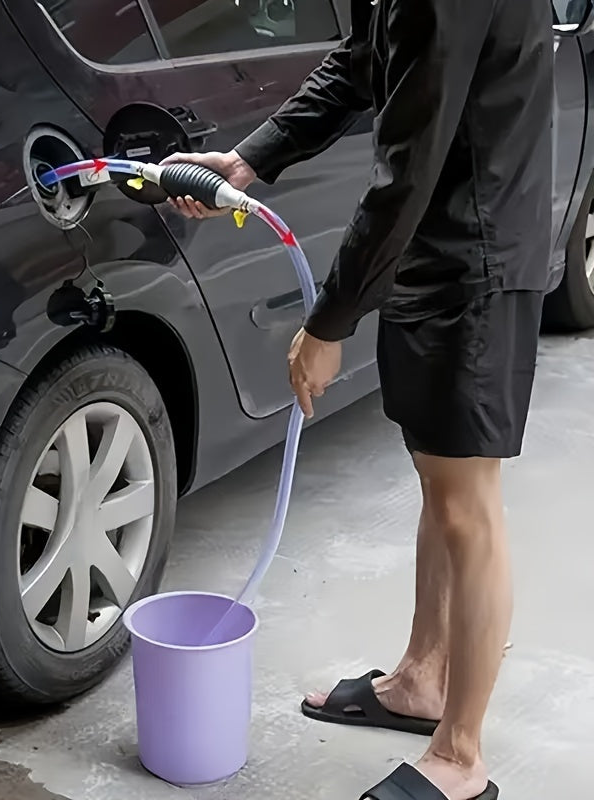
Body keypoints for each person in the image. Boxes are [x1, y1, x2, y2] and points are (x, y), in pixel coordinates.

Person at [164, 0, 554, 798]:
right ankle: (422, 680)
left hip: (472, 264)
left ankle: (461, 758)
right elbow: (361, 60)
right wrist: (251, 159)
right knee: (440, 485)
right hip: (435, 253)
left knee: (467, 504)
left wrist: (330, 319)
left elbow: (410, 163)